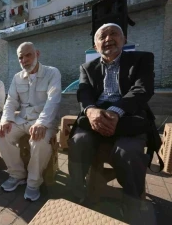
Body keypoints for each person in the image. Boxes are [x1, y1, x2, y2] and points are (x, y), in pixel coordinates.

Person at [68, 23, 159, 222]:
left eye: (114, 34)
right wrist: (91, 112)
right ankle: (76, 193)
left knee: (128, 152)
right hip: (96, 118)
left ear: (124, 39)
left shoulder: (142, 59)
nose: (108, 39)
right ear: (95, 45)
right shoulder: (87, 67)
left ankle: (132, 203)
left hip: (129, 117)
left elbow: (142, 89)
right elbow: (84, 93)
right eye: (102, 36)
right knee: (78, 141)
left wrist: (115, 112)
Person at [0, 42, 61, 201]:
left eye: (28, 55)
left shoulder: (52, 73)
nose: (24, 60)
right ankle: (17, 174)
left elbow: (53, 100)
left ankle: (33, 182)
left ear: (37, 54)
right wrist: (6, 119)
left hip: (43, 120)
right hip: (22, 119)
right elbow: (11, 101)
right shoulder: (17, 77)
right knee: (2, 134)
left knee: (38, 141)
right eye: (20, 57)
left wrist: (42, 123)